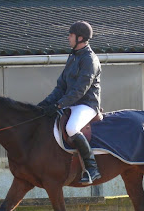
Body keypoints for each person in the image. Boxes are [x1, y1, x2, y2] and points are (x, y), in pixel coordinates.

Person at [38, 21, 102, 184]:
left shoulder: (90, 60)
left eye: (71, 35)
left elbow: (80, 90)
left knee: (71, 128)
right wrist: (45, 104)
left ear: (80, 38)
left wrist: (59, 105)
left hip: (87, 104)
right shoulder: (73, 57)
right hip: (71, 103)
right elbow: (61, 86)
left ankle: (92, 168)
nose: (68, 38)